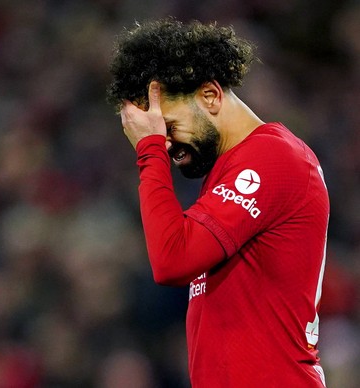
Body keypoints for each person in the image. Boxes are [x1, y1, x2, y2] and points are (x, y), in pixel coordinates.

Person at [107, 18, 329, 387]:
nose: (165, 144)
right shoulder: (229, 170)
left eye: (169, 127)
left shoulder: (273, 157)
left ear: (210, 95)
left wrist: (148, 153)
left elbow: (172, 260)